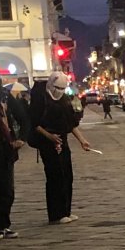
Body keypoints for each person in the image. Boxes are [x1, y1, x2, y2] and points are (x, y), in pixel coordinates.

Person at [29, 73, 93, 225]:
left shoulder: (64, 100)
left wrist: (82, 140)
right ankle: (56, 214)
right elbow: (34, 123)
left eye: (63, 89)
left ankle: (66, 211)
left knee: (67, 175)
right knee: (55, 176)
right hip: (47, 141)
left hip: (62, 140)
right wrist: (50, 136)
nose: (59, 91)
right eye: (58, 88)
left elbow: (70, 124)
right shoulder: (40, 98)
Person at [0, 70, 29, 241]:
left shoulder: (5, 97)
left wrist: (22, 138)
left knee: (6, 190)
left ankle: (3, 226)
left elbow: (23, 118)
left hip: (4, 149)